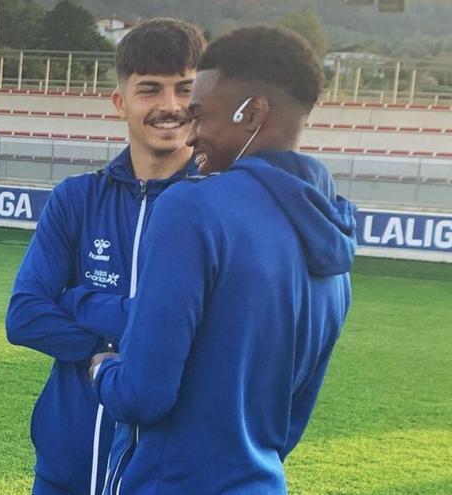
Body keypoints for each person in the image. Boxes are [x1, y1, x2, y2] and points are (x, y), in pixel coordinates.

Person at [90, 26, 356, 494]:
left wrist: (102, 366)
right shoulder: (334, 241)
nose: (190, 139)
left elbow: (142, 396)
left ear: (252, 113)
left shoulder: (192, 208)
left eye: (201, 116)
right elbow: (289, 423)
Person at [6, 18, 205, 495]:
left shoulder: (215, 205)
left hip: (165, 474)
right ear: (120, 102)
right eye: (150, 89)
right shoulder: (76, 198)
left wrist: (82, 301)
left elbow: (210, 333)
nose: (170, 106)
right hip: (65, 467)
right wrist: (107, 351)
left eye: (184, 89)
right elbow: (25, 315)